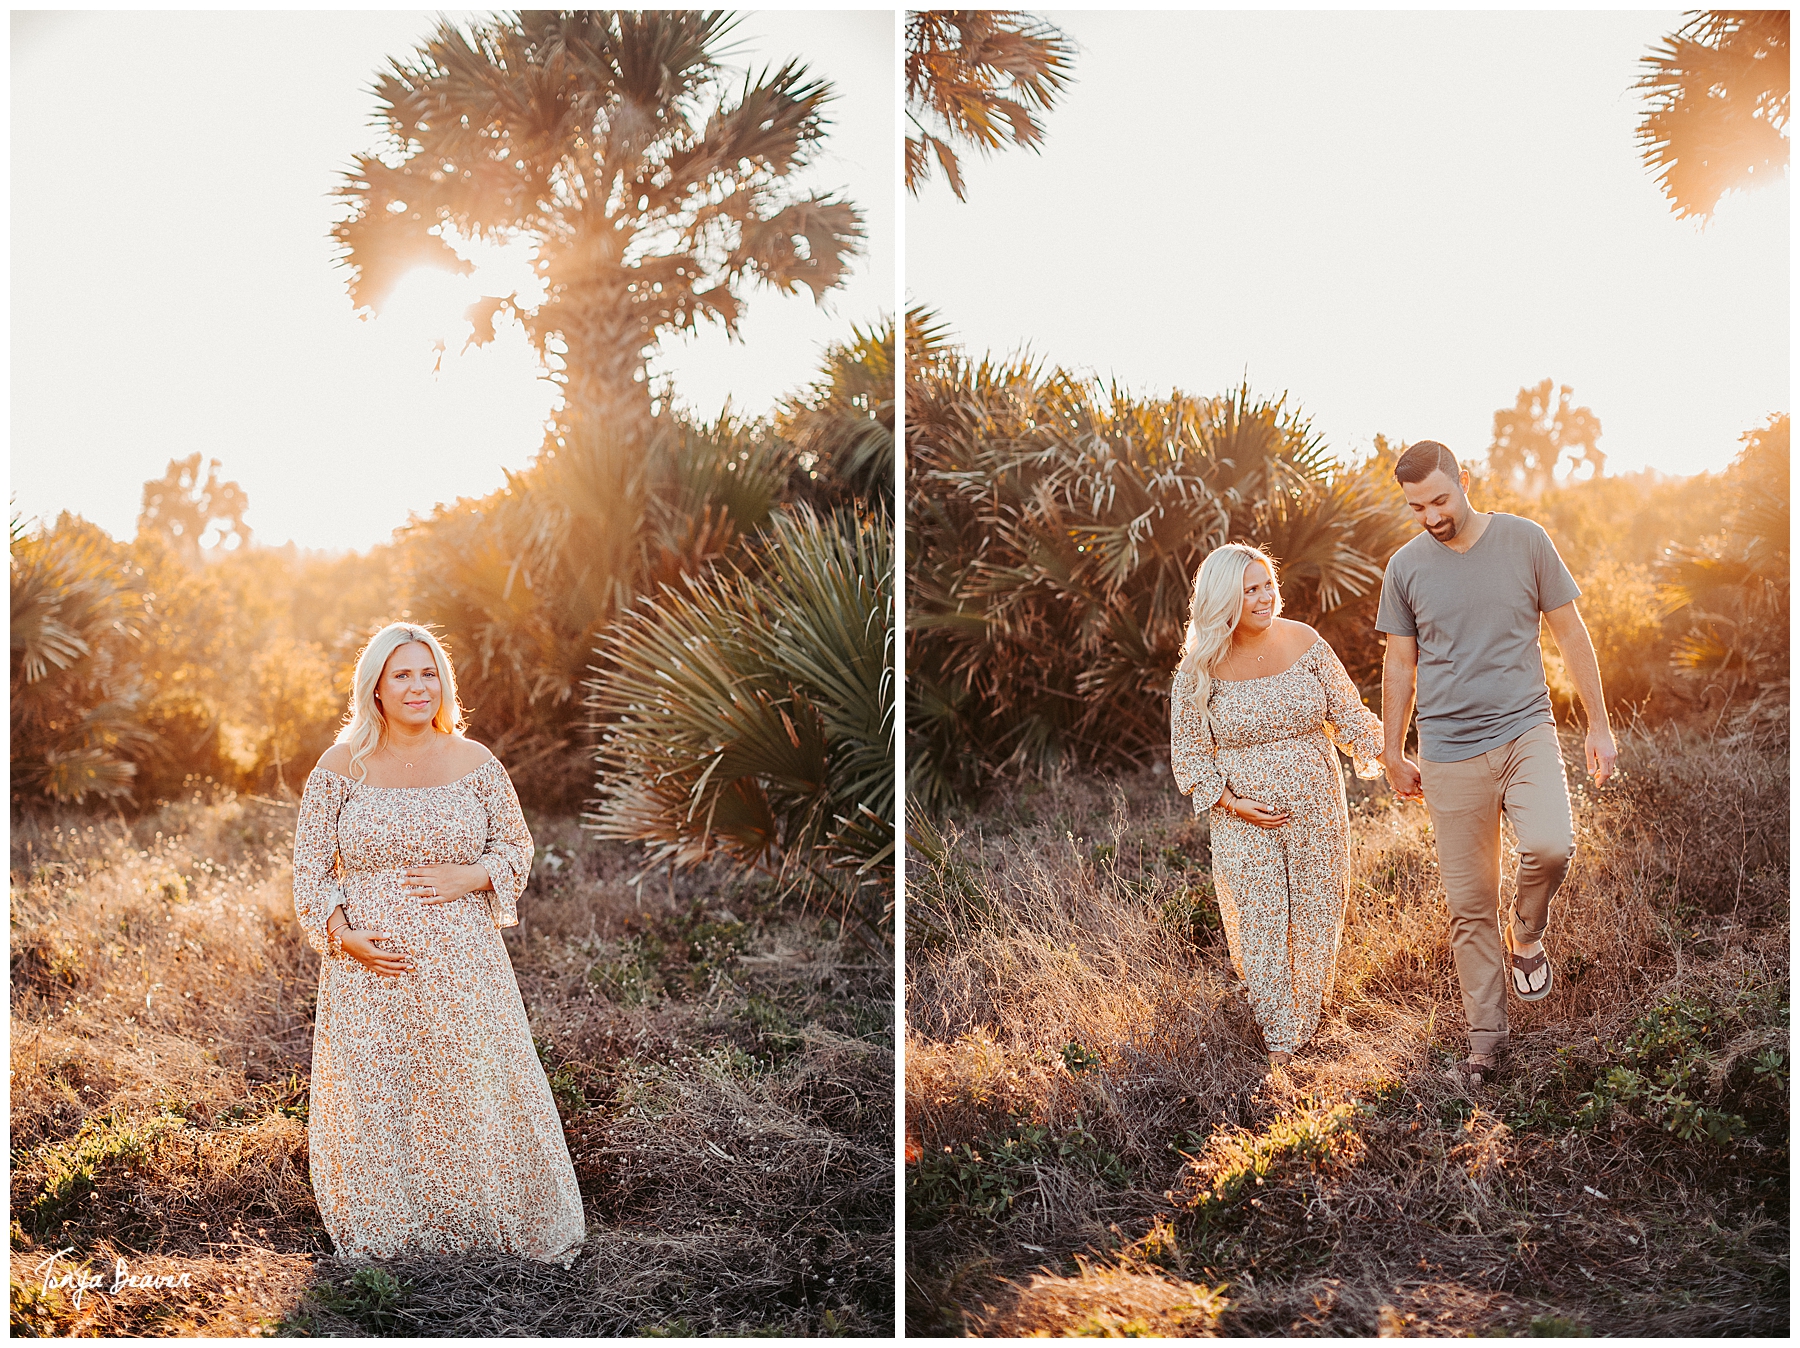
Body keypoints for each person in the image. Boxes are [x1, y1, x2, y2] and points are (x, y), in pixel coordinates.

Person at [291, 622, 586, 1265]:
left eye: (429, 674)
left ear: (444, 684)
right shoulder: (342, 766)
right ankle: (395, 1232)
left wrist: (472, 875)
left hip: (465, 966)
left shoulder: (475, 761)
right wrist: (345, 936)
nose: (418, 686)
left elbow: (516, 846)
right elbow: (310, 869)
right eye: (402, 674)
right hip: (372, 972)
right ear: (375, 687)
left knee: (466, 1086)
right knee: (385, 1094)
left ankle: (485, 1222)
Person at [1376, 440, 1617, 1090]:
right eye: (1416, 506)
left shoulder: (1524, 539)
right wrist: (1393, 751)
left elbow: (1570, 631)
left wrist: (1597, 723)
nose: (1430, 515)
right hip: (1449, 752)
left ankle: (1529, 935)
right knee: (1469, 904)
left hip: (1525, 729)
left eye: (1438, 500)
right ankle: (1487, 1041)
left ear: (1462, 481)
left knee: (1550, 845)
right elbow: (1400, 664)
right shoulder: (1404, 567)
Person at [1170, 543, 1386, 1073]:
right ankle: (1279, 1037)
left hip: (1317, 808)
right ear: (1224, 599)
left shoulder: (1307, 642)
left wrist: (1396, 758)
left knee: (1315, 913)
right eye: (1250, 590)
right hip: (1245, 821)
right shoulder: (1199, 671)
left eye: (1267, 584)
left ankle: (1307, 1019)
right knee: (1262, 922)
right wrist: (1235, 804)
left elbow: (1349, 715)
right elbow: (1190, 757)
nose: (1264, 597)